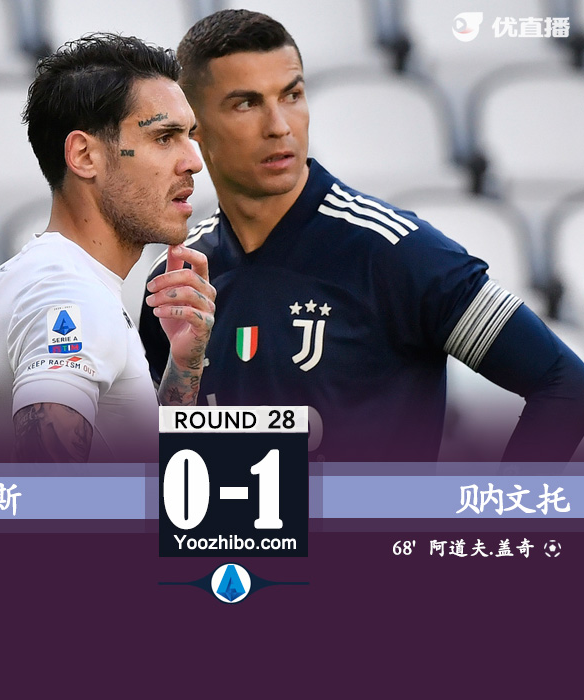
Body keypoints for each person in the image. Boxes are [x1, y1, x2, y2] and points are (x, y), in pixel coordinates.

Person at [139, 9, 584, 464]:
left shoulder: (396, 250)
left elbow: (563, 382)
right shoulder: (177, 278)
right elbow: (160, 448)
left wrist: (502, 503)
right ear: (193, 125)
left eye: (292, 95)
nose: (279, 125)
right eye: (246, 104)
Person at [0, 33, 215, 463]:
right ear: (83, 155)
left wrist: (183, 366)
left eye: (189, 135)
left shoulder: (30, 276)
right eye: (164, 137)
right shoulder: (69, 294)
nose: (193, 160)